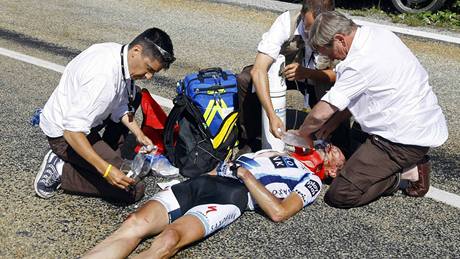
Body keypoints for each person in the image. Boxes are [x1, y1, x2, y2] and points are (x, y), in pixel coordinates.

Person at [296, 11, 448, 209]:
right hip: (420, 122)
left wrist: (301, 135)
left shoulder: (357, 63)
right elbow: (363, 91)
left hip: (401, 141)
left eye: (326, 51)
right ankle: (385, 162)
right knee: (352, 156)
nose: (328, 58)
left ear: (339, 39)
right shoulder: (379, 34)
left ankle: (406, 173)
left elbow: (320, 112)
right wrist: (333, 124)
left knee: (340, 194)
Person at [83, 145, 345, 258]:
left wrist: (245, 175)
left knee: (169, 240)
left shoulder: (311, 180)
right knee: (134, 223)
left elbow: (279, 212)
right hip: (202, 184)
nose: (329, 146)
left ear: (332, 170)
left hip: (232, 197)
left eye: (336, 152)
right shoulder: (277, 150)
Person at [34, 28, 175, 204]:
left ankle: (101, 155)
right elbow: (72, 132)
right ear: (136, 50)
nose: (148, 76)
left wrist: (139, 134)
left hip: (85, 121)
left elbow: (121, 104)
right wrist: (106, 170)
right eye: (148, 69)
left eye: (153, 72)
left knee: (135, 94)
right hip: (65, 136)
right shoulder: (103, 79)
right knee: (132, 189)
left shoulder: (118, 55)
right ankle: (61, 169)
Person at [237, 0, 351, 157]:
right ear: (302, 15)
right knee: (245, 79)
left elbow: (344, 76)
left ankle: (336, 141)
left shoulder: (340, 29)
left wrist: (308, 73)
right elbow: (258, 70)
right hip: (285, 73)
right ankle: (252, 138)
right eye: (309, 29)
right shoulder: (287, 21)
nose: (313, 36)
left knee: (344, 92)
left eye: (319, 33)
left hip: (318, 78)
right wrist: (272, 115)